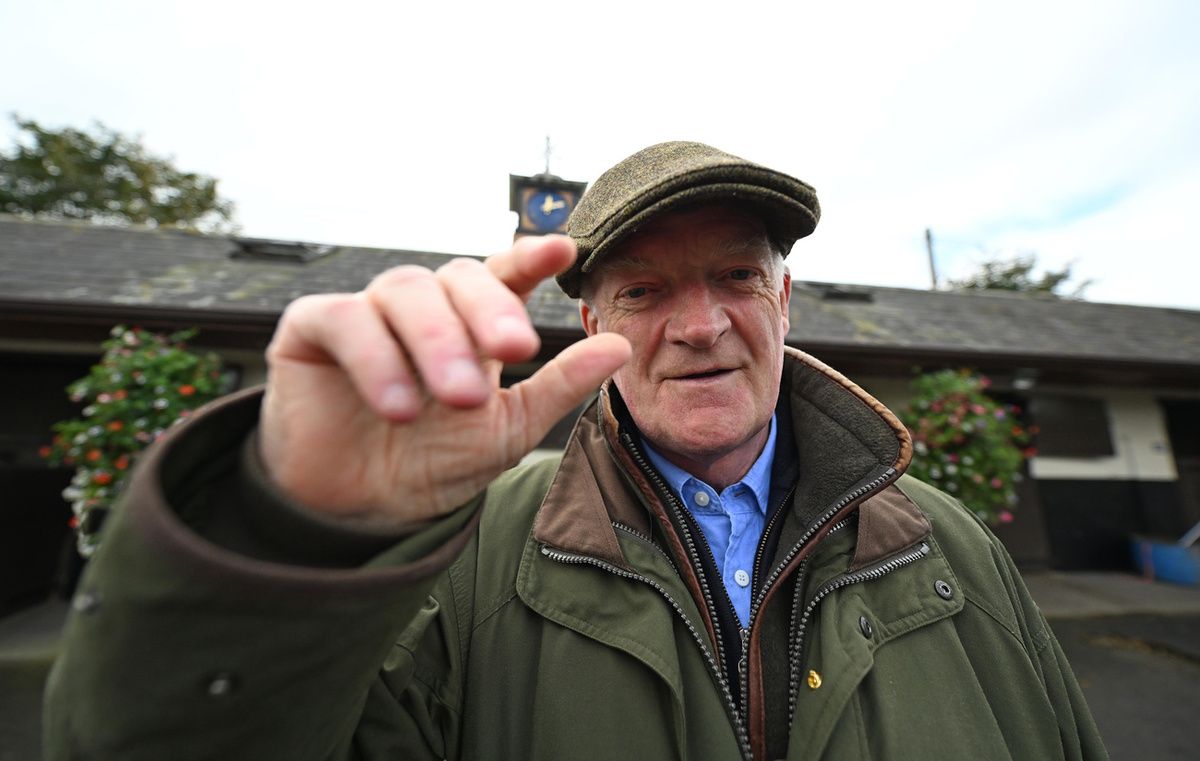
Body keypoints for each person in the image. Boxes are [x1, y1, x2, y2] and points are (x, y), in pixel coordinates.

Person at [44, 142, 1107, 761]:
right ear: (592, 325)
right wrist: (298, 536)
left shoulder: (949, 543)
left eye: (737, 277)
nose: (700, 325)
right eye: (644, 290)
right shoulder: (467, 552)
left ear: (785, 299)